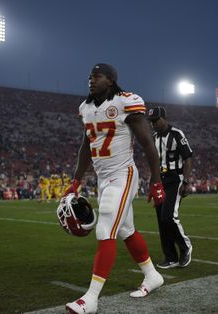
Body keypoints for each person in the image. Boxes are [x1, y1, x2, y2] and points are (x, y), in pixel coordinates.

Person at [63, 63, 166, 314]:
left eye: (96, 76)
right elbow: (86, 147)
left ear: (110, 80)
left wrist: (156, 180)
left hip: (123, 174)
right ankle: (152, 275)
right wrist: (76, 180)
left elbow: (147, 144)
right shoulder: (86, 108)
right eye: (89, 76)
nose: (91, 80)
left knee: (105, 227)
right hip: (104, 178)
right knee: (126, 230)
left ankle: (91, 298)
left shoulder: (125, 102)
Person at [147, 106, 193, 269]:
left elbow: (187, 158)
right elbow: (154, 164)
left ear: (164, 118)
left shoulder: (176, 134)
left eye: (156, 120)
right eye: (152, 122)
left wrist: (186, 181)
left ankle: (185, 246)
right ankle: (170, 257)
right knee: (161, 219)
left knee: (169, 216)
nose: (154, 124)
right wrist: (152, 184)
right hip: (161, 181)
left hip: (175, 179)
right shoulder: (154, 137)